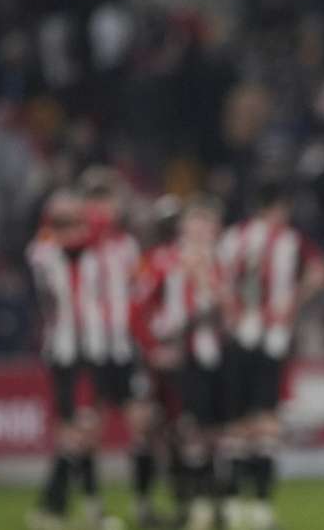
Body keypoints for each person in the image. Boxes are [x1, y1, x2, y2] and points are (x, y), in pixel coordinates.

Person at [218, 182, 324, 530]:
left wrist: (234, 311)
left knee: (242, 427)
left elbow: (219, 281)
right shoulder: (288, 239)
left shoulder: (235, 237)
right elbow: (318, 273)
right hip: (267, 338)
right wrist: (291, 301)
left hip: (242, 337)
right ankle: (258, 506)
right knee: (261, 426)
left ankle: (237, 506)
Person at [26, 190, 120, 530]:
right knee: (72, 432)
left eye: (76, 221)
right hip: (64, 351)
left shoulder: (95, 254)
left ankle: (61, 507)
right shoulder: (44, 252)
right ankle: (65, 508)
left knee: (85, 431)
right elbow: (54, 252)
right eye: (63, 222)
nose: (73, 229)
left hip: (93, 348)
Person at [135, 197, 230, 530]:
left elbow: (229, 308)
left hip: (214, 355)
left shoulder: (221, 261)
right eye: (195, 223)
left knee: (212, 432)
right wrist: (152, 348)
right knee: (180, 430)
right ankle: (188, 503)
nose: (202, 230)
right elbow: (141, 308)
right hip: (178, 358)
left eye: (207, 224)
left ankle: (214, 502)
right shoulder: (163, 261)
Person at [80, 167, 154, 526]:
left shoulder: (127, 246)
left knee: (140, 424)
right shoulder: (75, 246)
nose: (104, 208)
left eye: (108, 200)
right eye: (96, 201)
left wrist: (146, 338)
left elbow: (140, 293)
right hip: (92, 348)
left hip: (125, 348)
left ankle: (142, 504)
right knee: (90, 429)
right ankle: (93, 506)